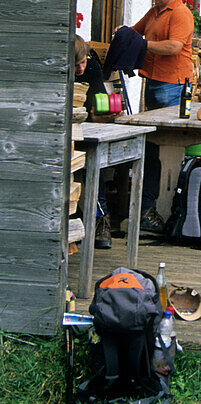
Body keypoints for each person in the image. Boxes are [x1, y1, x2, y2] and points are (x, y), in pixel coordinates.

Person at [131, 0, 195, 234]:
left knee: (163, 143)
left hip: (171, 84)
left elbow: (173, 48)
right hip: (154, 80)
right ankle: (148, 208)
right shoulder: (155, 12)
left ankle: (166, 207)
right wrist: (124, 35)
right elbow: (136, 33)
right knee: (152, 143)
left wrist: (142, 45)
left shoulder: (180, 13)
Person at [74, 35, 112, 248]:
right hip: (67, 133)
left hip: (88, 130)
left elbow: (99, 103)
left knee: (95, 168)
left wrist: (103, 113)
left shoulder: (92, 69)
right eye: (76, 64)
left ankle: (101, 219)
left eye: (83, 62)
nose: (80, 68)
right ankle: (78, 216)